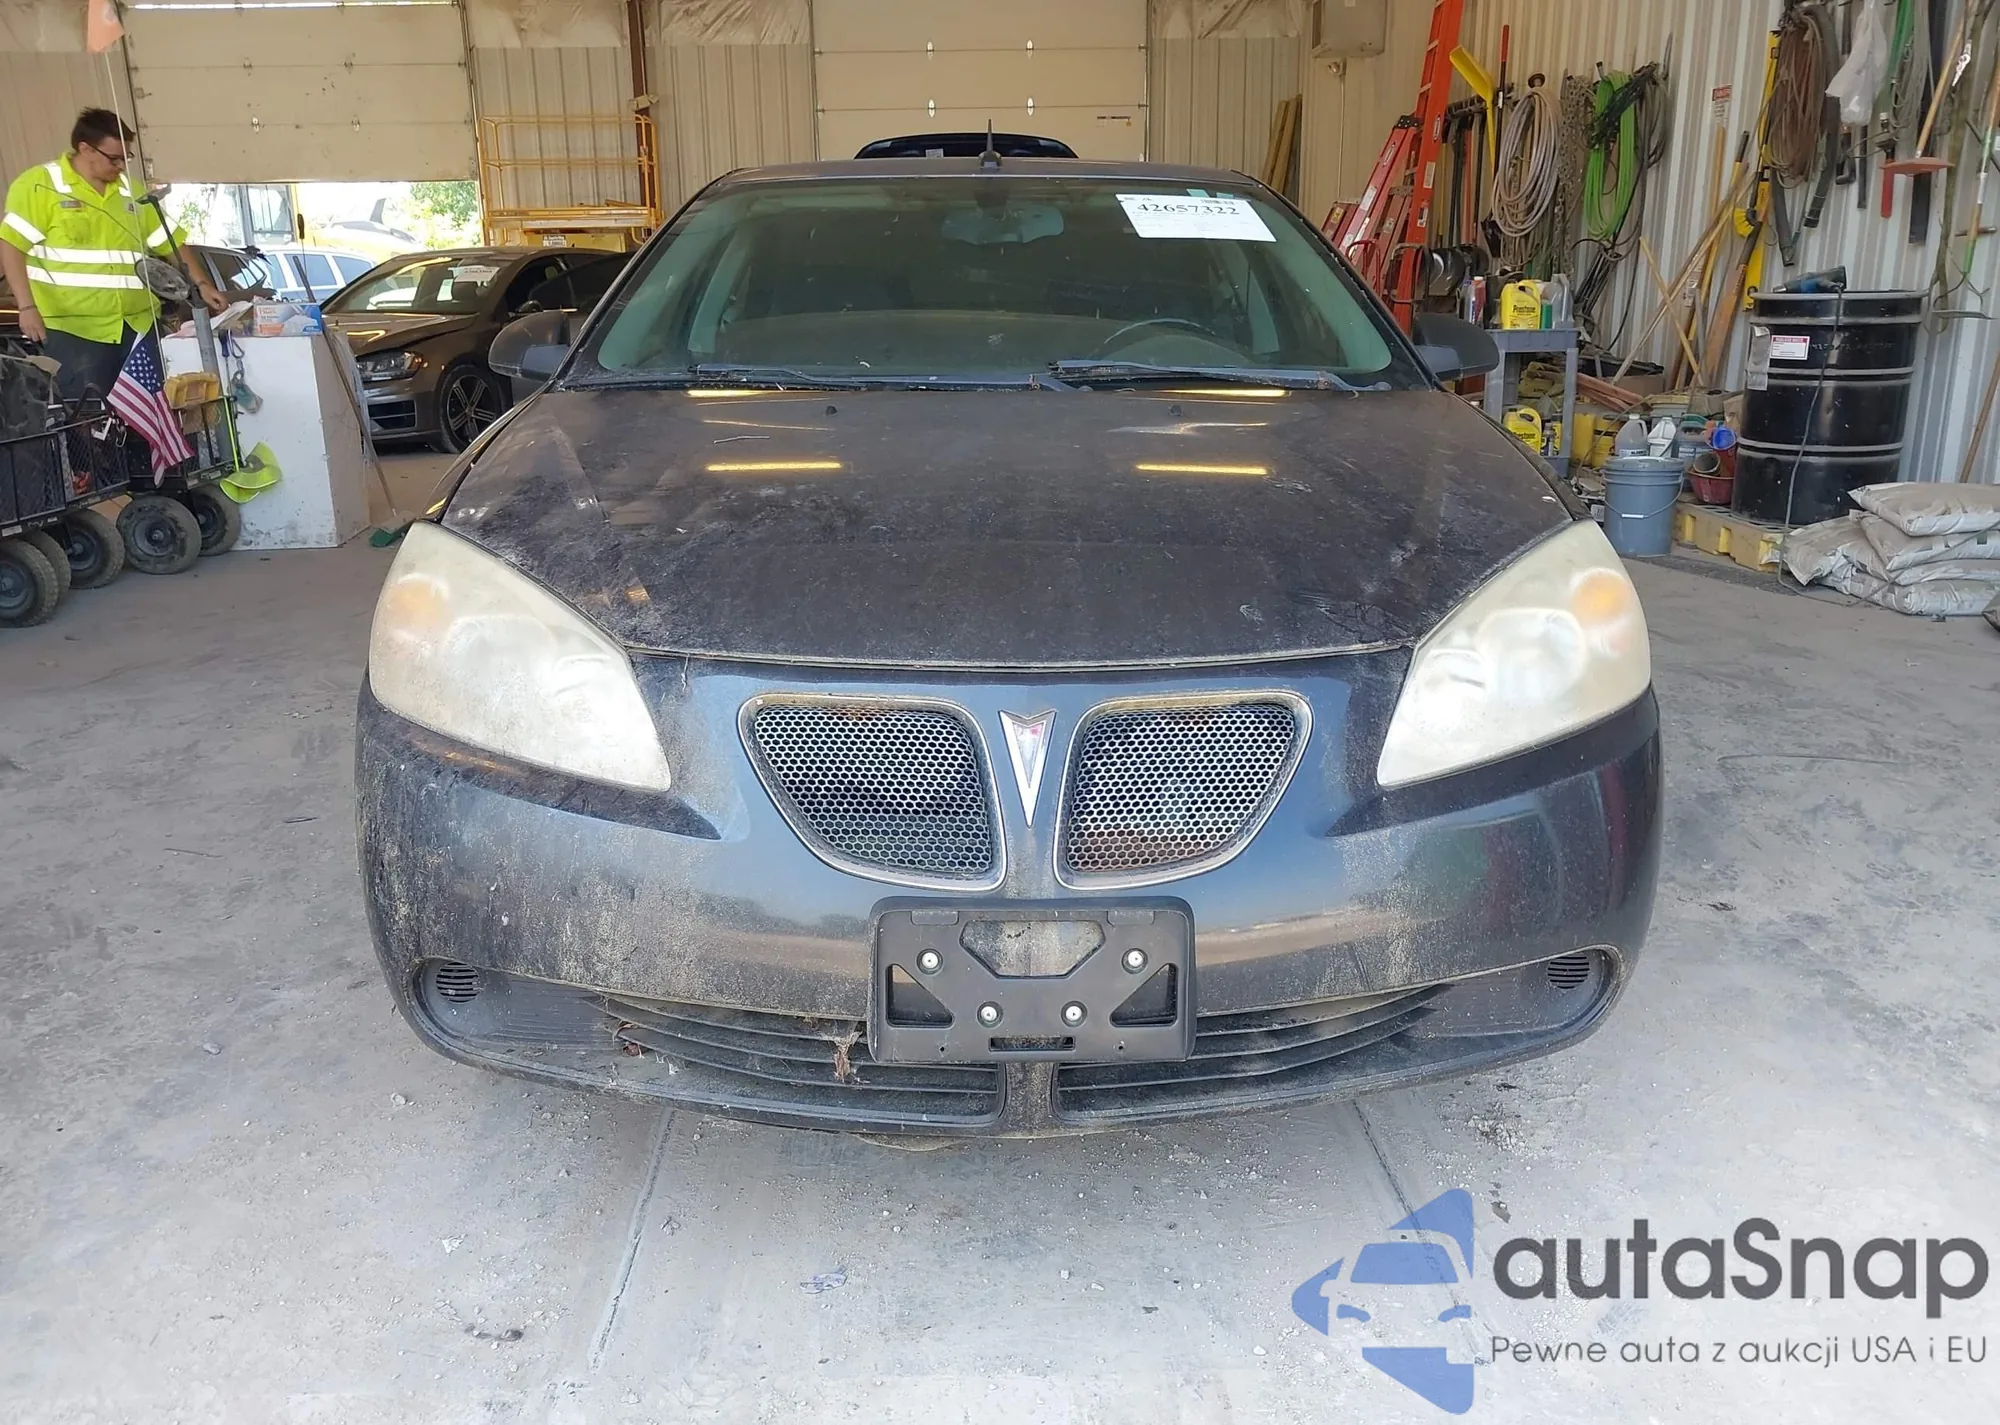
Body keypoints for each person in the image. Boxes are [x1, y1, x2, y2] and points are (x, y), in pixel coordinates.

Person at [0, 108, 226, 402]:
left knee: (149, 411)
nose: (121, 166)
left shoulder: (130, 191)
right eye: (114, 158)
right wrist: (27, 307)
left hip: (138, 327)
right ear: (85, 149)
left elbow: (170, 241)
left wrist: (202, 284)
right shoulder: (40, 185)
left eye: (125, 158)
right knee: (89, 416)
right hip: (75, 331)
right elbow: (11, 246)